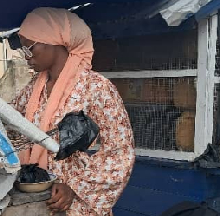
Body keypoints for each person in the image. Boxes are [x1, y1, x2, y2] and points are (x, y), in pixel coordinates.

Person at [11, 8, 135, 215]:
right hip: (36, 197)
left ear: (53, 41)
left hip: (75, 205)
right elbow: (12, 123)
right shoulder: (33, 88)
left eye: (29, 48)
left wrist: (75, 188)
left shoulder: (96, 87)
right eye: (23, 50)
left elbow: (120, 152)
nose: (26, 57)